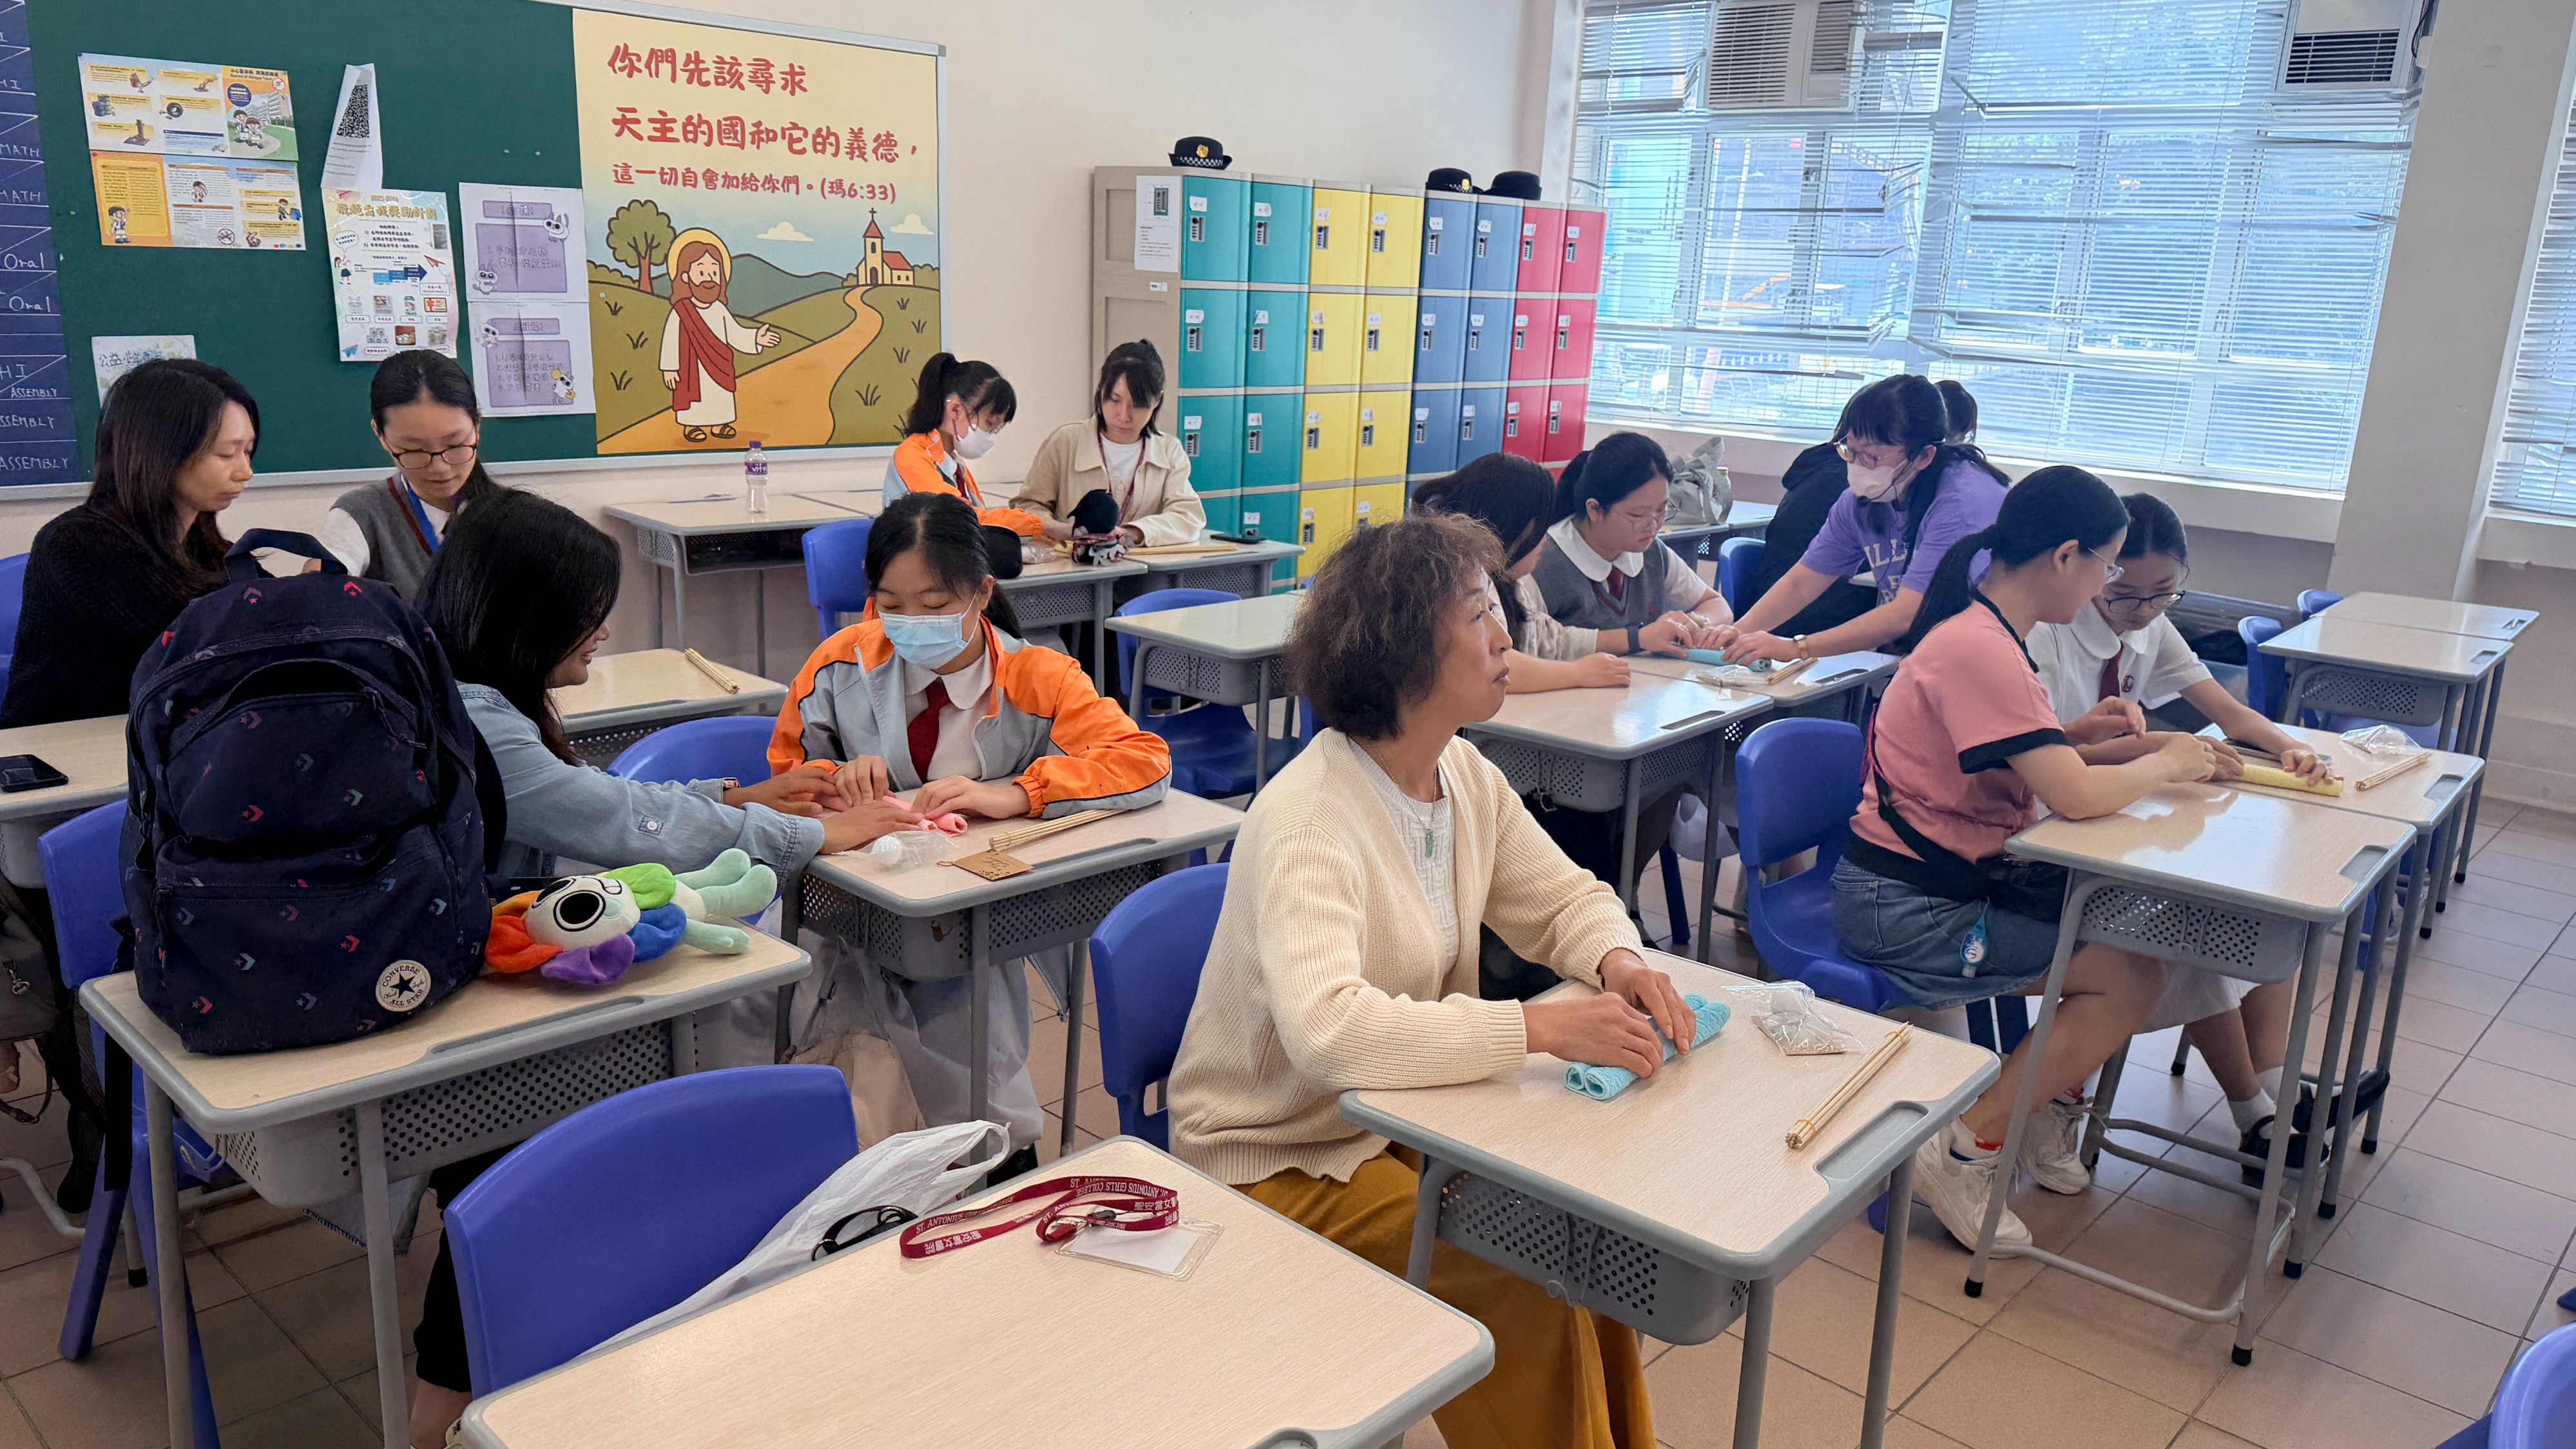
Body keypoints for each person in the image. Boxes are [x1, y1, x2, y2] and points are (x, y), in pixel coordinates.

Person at [1168, 512, 1692, 1449]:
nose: (1504, 637)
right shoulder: (1310, 819)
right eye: (1479, 616)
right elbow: (1328, 1036)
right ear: (1404, 651)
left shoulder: (1458, 772)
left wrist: (1618, 959)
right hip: (1278, 1154)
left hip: (1396, 1123)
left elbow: (1562, 898)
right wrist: (1535, 1030)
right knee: (1521, 1279)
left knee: (1584, 1242)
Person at [403, 490, 905, 1449]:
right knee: (520, 1182)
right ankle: (449, 1412)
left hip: (473, 986)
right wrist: (805, 832)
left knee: (536, 1173)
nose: (604, 630)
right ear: (522, 616)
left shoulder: (468, 694)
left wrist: (740, 794)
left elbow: (590, 798)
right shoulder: (480, 721)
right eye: (587, 612)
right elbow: (616, 819)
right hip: (463, 1024)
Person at [1828, 465, 2220, 1250]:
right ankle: (1963, 1145)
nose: (2107, 585)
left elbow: (2008, 757)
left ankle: (2033, 1108)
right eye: (2106, 565)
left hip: (1937, 884)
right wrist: (2169, 760)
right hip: (1906, 905)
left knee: (2136, 937)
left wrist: (2074, 738)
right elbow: (2073, 796)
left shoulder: (1987, 633)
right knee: (2129, 973)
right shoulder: (1982, 647)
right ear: (2065, 556)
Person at [770, 492, 1173, 1180]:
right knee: (845, 1045)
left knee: (972, 1038)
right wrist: (835, 779)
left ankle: (992, 1162)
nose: (910, 623)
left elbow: (1144, 761)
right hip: (855, 907)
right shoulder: (839, 666)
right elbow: (783, 781)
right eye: (890, 605)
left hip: (973, 912)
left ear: (981, 593)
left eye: (933, 606)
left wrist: (1016, 793)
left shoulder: (1037, 674)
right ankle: (883, 1171)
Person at [2024, 492, 2337, 1175]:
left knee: (2249, 902)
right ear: (2093, 566)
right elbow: (2046, 758)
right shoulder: (2045, 631)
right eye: (2124, 593)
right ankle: (2259, 1110)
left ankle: (2271, 1101)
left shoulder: (2149, 628)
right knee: (2185, 927)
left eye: (2162, 592)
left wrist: (2293, 749)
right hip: (2049, 828)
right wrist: (2161, 753)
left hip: (2109, 817)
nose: (2142, 609)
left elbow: (2228, 711)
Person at [3, 358, 256, 728]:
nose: (246, 472)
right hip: (67, 747)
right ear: (161, 452)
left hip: (170, 741)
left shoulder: (207, 549)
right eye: (226, 454)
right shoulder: (76, 544)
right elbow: (192, 649)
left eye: (248, 451)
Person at [1717, 374, 2009, 664]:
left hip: (1990, 651)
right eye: (1851, 452)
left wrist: (1796, 649)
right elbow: (1802, 582)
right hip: (1927, 648)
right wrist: (1737, 632)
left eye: (1872, 457)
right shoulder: (1864, 500)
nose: (1858, 467)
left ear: (1923, 456)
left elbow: (1908, 613)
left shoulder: (1961, 502)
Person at [1412, 453, 1653, 693]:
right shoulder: (1456, 578)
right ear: (1511, 526)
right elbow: (1484, 662)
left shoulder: (1509, 582)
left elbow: (1552, 640)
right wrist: (1577, 673)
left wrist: (1637, 638)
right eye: (1538, 530)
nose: (1544, 541)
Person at [1527, 431, 1732, 655]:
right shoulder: (1541, 562)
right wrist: (1637, 639)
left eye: (1661, 510)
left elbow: (1717, 605)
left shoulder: (1652, 553)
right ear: (1594, 509)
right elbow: (1528, 642)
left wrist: (1697, 621)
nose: (1653, 525)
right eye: (1637, 515)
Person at [319, 350, 503, 597]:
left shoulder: (514, 515)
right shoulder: (364, 512)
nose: (440, 467)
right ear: (381, 435)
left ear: (477, 426)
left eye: (455, 444)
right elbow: (322, 585)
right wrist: (317, 583)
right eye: (414, 450)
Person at [1012, 340, 1207, 546]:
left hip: (1140, 564)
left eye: (1138, 404)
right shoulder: (1066, 441)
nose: (1124, 416)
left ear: (1157, 400)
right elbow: (1027, 506)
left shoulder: (1169, 451)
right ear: (1101, 390)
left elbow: (1188, 517)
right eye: (1115, 400)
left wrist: (1136, 532)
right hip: (1071, 562)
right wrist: (1056, 528)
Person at [883, 353, 1043, 542]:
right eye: (989, 423)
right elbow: (962, 519)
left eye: (996, 429)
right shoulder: (912, 455)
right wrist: (1039, 525)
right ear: (956, 410)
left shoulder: (956, 465)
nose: (990, 436)